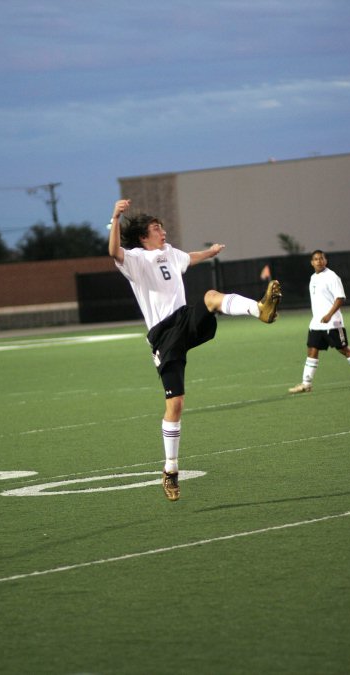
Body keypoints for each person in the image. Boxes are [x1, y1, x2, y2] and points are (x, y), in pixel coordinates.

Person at [109, 199, 282, 501]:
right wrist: (115, 217)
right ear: (142, 237)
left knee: (211, 296)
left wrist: (211, 253)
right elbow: (113, 252)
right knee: (175, 404)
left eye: (162, 227)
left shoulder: (170, 253)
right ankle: (170, 470)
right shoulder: (135, 258)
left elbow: (188, 257)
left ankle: (261, 310)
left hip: (185, 321)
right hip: (164, 336)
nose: (162, 231)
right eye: (155, 228)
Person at [289, 249, 350, 394]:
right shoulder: (313, 278)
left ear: (325, 261)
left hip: (332, 322)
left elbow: (340, 298)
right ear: (312, 262)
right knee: (312, 350)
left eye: (321, 258)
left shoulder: (332, 276)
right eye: (316, 259)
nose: (319, 261)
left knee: (343, 349)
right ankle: (306, 384)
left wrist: (329, 315)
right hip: (316, 323)